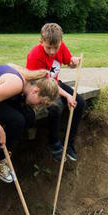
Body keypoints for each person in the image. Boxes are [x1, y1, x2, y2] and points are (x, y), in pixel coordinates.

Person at [26, 23, 83, 162]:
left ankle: (69, 145)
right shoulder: (34, 56)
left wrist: (74, 62)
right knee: (56, 106)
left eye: (55, 47)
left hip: (55, 83)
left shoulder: (60, 47)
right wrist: (67, 95)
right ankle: (54, 144)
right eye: (48, 47)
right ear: (41, 42)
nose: (52, 51)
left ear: (60, 42)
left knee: (80, 102)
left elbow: (68, 62)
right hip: (39, 87)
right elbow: (45, 84)